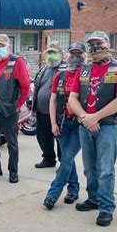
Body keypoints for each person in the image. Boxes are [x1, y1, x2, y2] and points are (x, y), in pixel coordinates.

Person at [68, 31, 117, 227]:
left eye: (99, 43)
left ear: (107, 43)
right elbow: (72, 98)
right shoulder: (84, 69)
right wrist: (84, 117)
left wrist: (95, 117)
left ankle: (106, 207)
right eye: (92, 44)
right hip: (85, 126)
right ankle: (94, 198)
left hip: (107, 127)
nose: (95, 47)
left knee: (105, 169)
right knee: (89, 168)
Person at [0, 34, 30, 183]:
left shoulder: (17, 62)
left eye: (3, 46)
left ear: (8, 46)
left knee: (11, 142)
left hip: (9, 108)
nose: (0, 48)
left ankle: (13, 171)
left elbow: (25, 86)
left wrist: (18, 105)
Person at [43, 42, 86, 210]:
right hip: (62, 123)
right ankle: (73, 189)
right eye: (72, 54)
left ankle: (52, 194)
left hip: (79, 125)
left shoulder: (87, 75)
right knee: (68, 159)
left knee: (66, 158)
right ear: (66, 56)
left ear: (84, 56)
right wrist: (53, 123)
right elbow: (53, 101)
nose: (75, 58)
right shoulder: (59, 76)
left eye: (79, 54)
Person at [33, 41, 65, 168]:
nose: (51, 55)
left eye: (54, 53)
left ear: (60, 54)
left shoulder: (65, 68)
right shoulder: (43, 69)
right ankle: (48, 158)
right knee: (42, 136)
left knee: (60, 138)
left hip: (59, 112)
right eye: (49, 53)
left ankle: (64, 162)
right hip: (42, 111)